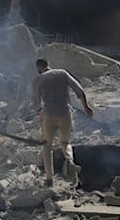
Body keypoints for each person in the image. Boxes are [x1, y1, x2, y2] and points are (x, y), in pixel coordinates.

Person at [32, 58, 94, 187]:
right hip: (65, 114)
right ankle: (70, 161)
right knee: (65, 142)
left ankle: (49, 179)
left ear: (38, 68)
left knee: (47, 146)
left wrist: (40, 113)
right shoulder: (62, 73)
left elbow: (36, 101)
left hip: (49, 115)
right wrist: (86, 107)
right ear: (49, 65)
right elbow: (79, 90)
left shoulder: (37, 80)